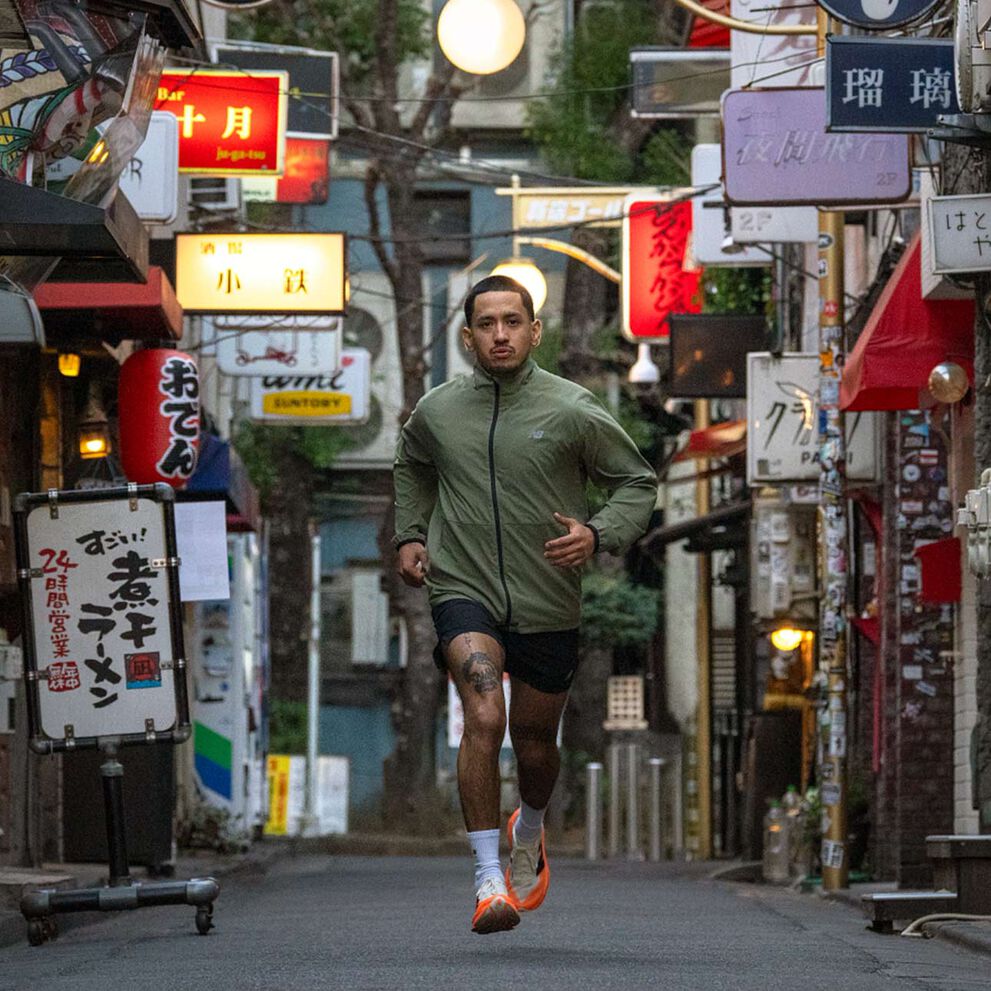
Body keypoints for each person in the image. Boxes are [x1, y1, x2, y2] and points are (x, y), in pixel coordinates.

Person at [393, 275, 657, 935]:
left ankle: (529, 827)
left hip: (547, 599)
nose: (500, 334)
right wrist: (411, 533)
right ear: (467, 336)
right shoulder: (438, 410)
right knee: (484, 713)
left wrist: (597, 533)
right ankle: (488, 881)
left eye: (512, 321)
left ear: (535, 331)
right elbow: (412, 464)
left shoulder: (572, 408)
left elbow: (636, 481)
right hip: (463, 587)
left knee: (535, 747)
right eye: (486, 324)